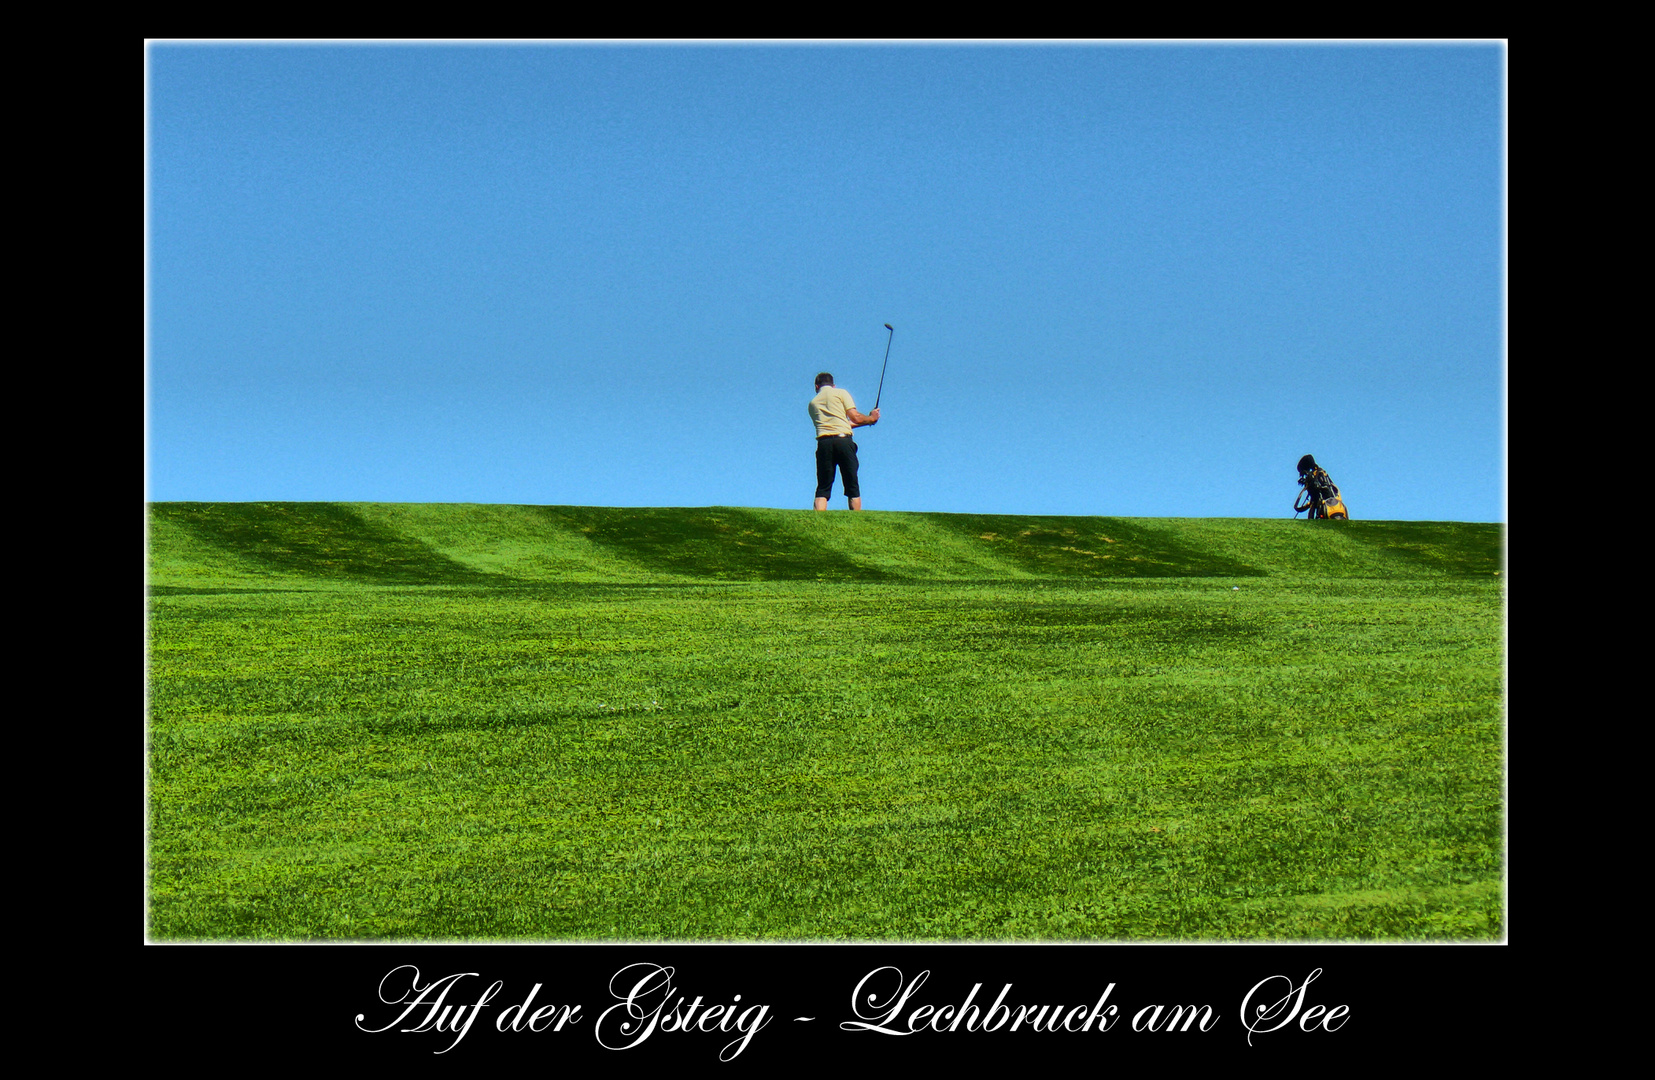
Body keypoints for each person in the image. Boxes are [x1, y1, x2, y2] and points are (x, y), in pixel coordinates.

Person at [807, 372, 880, 510]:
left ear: (817, 386)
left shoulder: (812, 404)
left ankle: (817, 523)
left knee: (823, 487)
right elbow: (855, 417)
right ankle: (856, 523)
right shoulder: (841, 393)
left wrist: (869, 421)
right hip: (843, 442)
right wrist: (871, 418)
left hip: (823, 443)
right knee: (852, 485)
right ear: (833, 385)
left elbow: (842, 422)